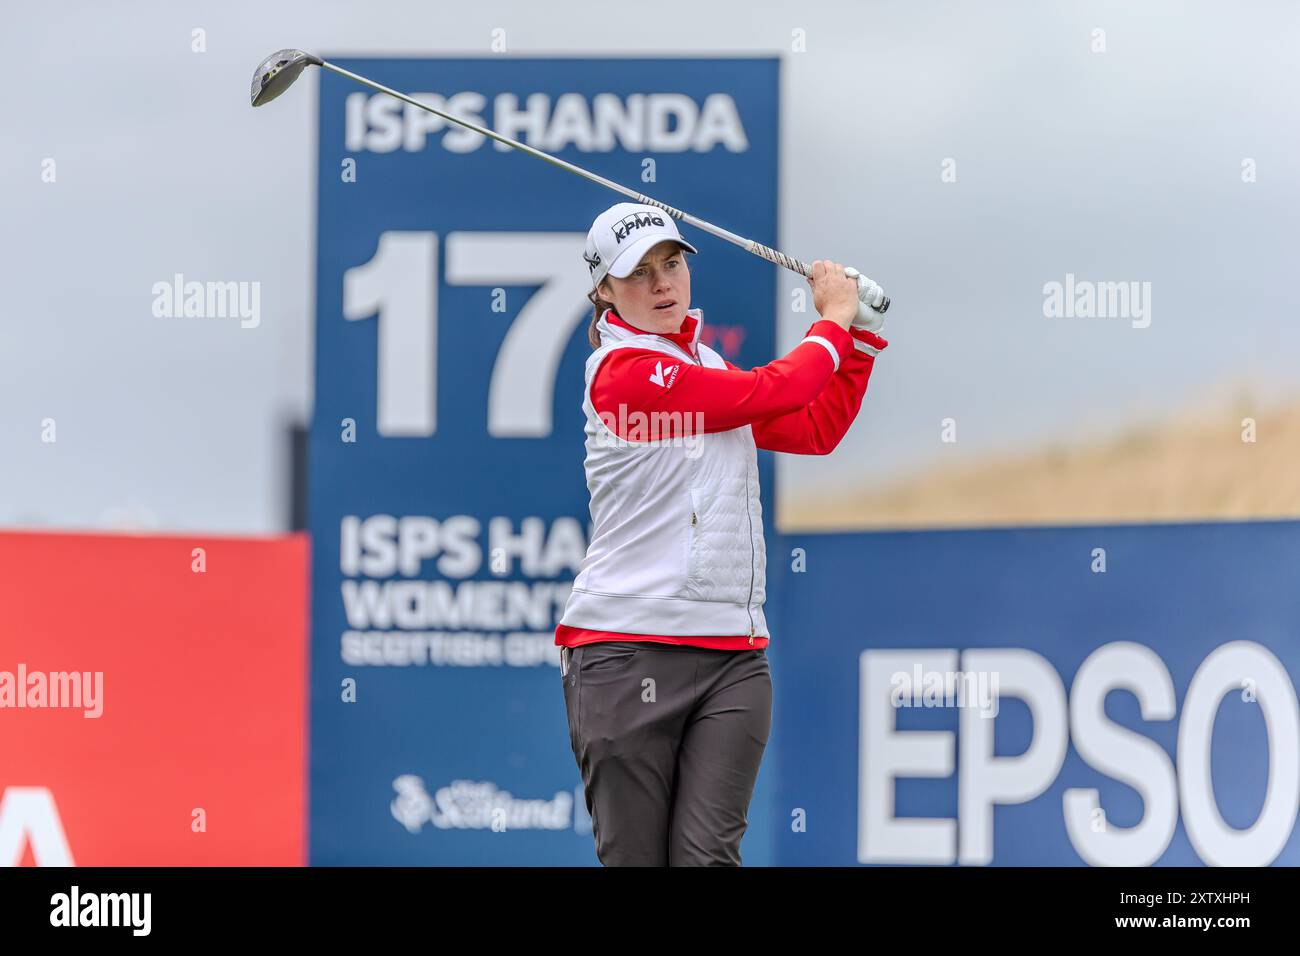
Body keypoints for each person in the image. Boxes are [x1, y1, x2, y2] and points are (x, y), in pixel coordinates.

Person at [557, 201, 889, 866]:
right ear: (602, 291)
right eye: (638, 273)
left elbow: (814, 429)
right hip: (624, 656)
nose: (662, 284)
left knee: (708, 859)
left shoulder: (703, 365)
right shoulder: (621, 374)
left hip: (732, 659)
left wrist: (859, 340)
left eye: (672, 263)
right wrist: (832, 322)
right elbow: (777, 391)